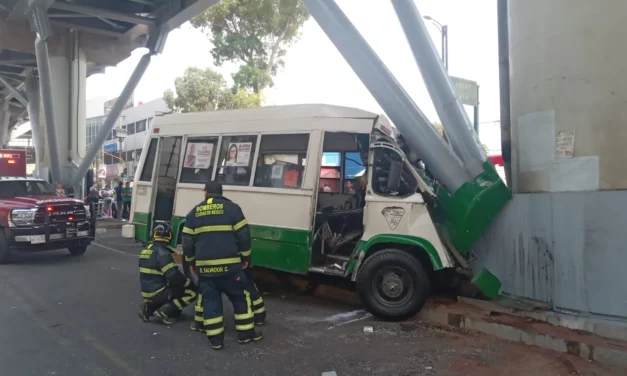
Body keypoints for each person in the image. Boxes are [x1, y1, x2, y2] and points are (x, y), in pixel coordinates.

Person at [182, 181, 262, 350]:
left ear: (206, 193)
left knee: (211, 302)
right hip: (231, 268)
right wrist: (245, 256)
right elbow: (244, 235)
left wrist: (191, 262)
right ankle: (246, 335)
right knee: (241, 297)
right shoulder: (233, 209)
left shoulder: (194, 212)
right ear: (221, 192)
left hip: (205, 269)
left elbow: (187, 241)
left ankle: (216, 341)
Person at [138, 223, 198, 325]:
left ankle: (149, 308)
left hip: (147, 292)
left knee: (170, 289)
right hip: (159, 292)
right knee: (192, 292)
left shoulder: (145, 250)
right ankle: (164, 312)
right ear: (169, 236)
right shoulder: (163, 253)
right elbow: (174, 276)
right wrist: (189, 283)